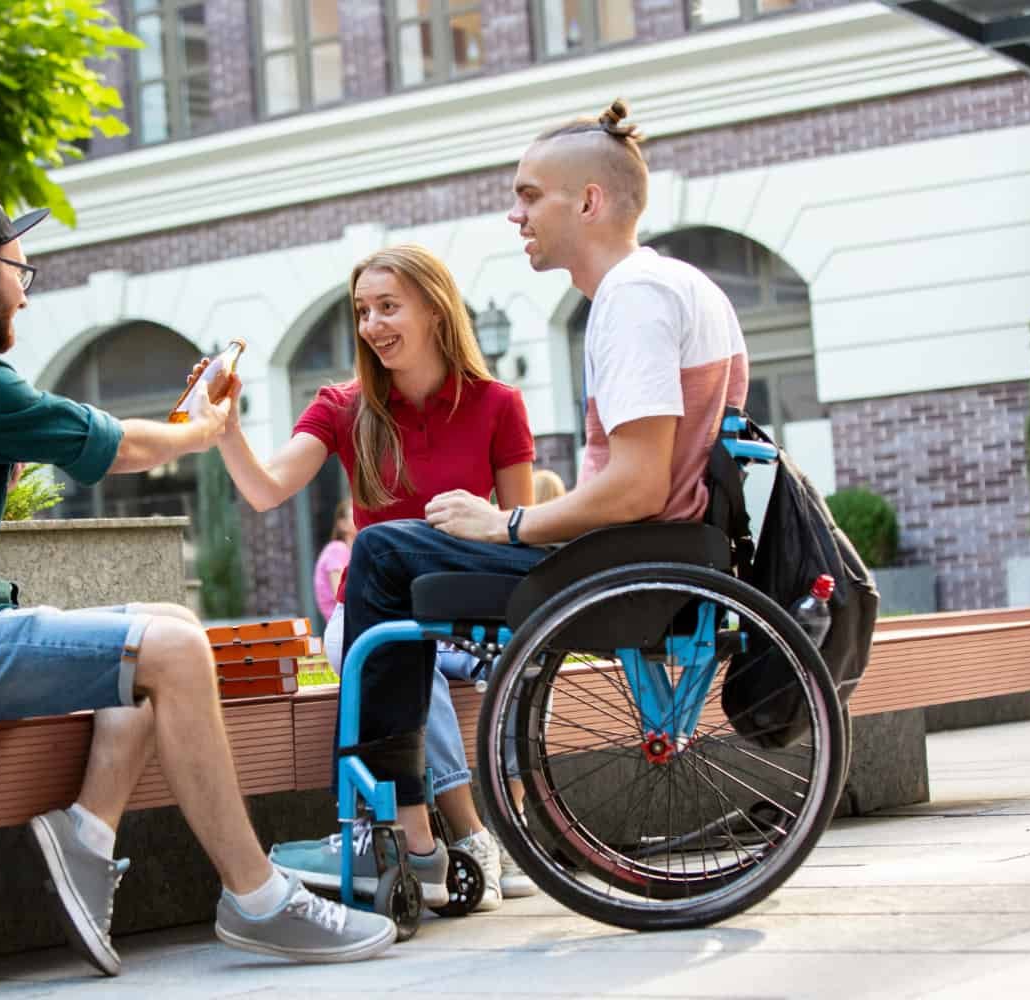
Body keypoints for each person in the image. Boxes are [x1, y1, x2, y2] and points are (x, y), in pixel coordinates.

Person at [0, 186, 395, 977]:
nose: (24, 287)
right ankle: (257, 898)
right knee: (177, 650)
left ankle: (86, 837)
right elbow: (117, 447)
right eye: (22, 270)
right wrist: (205, 428)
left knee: (159, 626)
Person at [295, 99, 749, 868]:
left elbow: (637, 487)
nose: (515, 215)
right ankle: (413, 834)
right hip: (664, 551)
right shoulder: (675, 283)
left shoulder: (631, 299)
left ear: (590, 201)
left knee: (381, 556)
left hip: (628, 558)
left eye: (529, 195)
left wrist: (506, 524)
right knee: (400, 552)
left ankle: (397, 838)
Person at [213, 244, 535, 910]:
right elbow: (268, 490)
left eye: (389, 307)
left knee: (402, 648)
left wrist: (488, 520)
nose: (372, 326)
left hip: (467, 613)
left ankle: (412, 838)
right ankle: (459, 837)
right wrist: (226, 429)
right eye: (363, 311)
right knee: (389, 647)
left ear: (436, 311)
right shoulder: (342, 406)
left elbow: (518, 536)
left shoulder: (498, 404)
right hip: (378, 618)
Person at [313, 499, 355, 621]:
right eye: (354, 515)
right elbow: (340, 594)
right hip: (343, 626)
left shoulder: (349, 551)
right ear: (342, 525)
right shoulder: (337, 549)